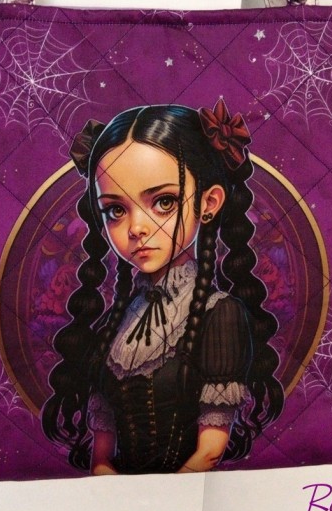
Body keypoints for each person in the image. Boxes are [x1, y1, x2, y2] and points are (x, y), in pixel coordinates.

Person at [41, 99, 283, 474]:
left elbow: (210, 451)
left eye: (163, 202)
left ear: (209, 202)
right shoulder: (115, 323)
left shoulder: (219, 315)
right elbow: (102, 451)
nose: (137, 228)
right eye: (116, 210)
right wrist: (105, 477)